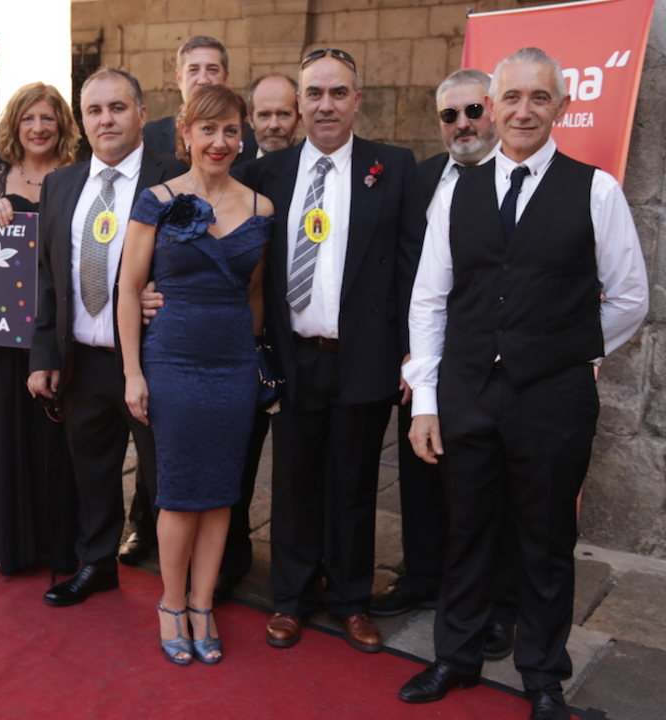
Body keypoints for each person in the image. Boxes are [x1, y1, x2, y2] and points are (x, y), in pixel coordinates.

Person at [397, 48, 648, 720]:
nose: (523, 110)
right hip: (468, 392)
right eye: (510, 97)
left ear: (561, 106)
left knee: (545, 541)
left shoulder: (595, 191)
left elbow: (630, 297)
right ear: (492, 106)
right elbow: (429, 300)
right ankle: (455, 657)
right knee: (466, 531)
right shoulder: (457, 190)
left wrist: (575, 352)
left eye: (539, 97)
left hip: (553, 399)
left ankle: (541, 678)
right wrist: (426, 401)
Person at [240, 48, 425, 653]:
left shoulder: (394, 167)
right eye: (315, 94)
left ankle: (350, 600)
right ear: (299, 103)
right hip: (293, 355)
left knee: (354, 484)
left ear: (357, 100)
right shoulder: (268, 173)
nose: (326, 105)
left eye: (338, 93)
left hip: (364, 355)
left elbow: (412, 269)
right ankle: (291, 598)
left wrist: (411, 353)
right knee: (292, 482)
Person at [118, 84, 274, 665]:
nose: (219, 141)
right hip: (172, 362)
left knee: (221, 494)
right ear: (185, 132)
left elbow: (254, 296)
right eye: (208, 129)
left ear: (242, 135)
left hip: (233, 366)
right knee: (181, 494)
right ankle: (171, 603)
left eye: (231, 130)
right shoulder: (156, 199)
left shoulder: (261, 208)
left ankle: (203, 605)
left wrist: (249, 359)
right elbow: (129, 290)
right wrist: (133, 372)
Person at [373, 68, 517, 662]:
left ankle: (498, 605)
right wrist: (409, 351)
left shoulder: (521, 180)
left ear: (493, 110)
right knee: (421, 472)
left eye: (473, 111)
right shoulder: (422, 177)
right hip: (426, 357)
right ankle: (424, 576)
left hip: (494, 365)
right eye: (449, 115)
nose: (462, 124)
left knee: (492, 489)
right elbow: (401, 266)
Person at [28, 67, 184, 607]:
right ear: (83, 120)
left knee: (166, 476)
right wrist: (43, 354)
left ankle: (183, 581)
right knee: (92, 471)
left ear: (142, 114)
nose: (106, 120)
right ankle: (97, 563)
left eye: (117, 108)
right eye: (94, 110)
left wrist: (166, 293)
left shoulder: (174, 179)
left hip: (152, 360)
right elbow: (48, 277)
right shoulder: (61, 184)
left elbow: (196, 263)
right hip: (83, 361)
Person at [0, 82, 82, 575]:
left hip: (62, 325)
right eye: (28, 119)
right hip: (6, 331)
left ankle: (61, 543)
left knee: (58, 434)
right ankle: (13, 542)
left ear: (62, 123)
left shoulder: (80, 173)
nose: (38, 128)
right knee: (9, 427)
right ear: (14, 126)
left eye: (47, 118)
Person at [142, 35, 258, 165]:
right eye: (193, 70)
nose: (203, 80)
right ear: (179, 78)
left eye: (212, 70)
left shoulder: (253, 139)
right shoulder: (148, 136)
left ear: (225, 78)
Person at [247, 73, 302, 158]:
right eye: (264, 115)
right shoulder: (233, 165)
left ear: (299, 119)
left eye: (283, 114)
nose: (274, 125)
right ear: (251, 120)